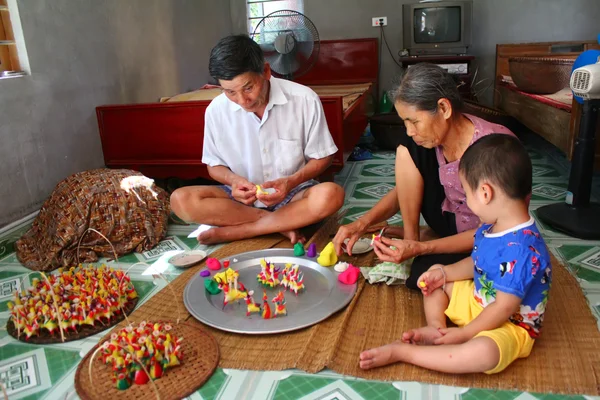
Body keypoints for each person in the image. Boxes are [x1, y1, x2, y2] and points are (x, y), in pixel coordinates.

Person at [359, 134, 551, 374]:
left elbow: (503, 308)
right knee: (431, 276)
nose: (466, 203)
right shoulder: (494, 225)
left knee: (483, 353)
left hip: (510, 324)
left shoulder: (523, 251)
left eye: (467, 195)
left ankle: (405, 352)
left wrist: (465, 333)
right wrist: (443, 273)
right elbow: (476, 262)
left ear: (485, 193)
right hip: (481, 300)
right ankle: (436, 328)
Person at [332, 63, 515, 290]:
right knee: (407, 148)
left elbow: (501, 230)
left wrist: (423, 250)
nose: (409, 130)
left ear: (444, 108)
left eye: (414, 121)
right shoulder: (429, 142)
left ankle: (421, 244)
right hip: (447, 219)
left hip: (483, 237)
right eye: (405, 122)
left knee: (424, 275)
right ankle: (413, 239)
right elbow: (406, 191)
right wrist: (362, 223)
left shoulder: (493, 148)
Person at [170, 35, 345, 245]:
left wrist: (290, 182)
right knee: (180, 200)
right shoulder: (216, 111)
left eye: (248, 88)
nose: (242, 100)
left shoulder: (304, 99)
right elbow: (214, 165)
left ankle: (242, 230)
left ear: (266, 72)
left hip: (293, 194)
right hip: (242, 200)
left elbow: (323, 157)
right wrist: (235, 182)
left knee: (331, 195)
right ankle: (278, 225)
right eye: (230, 92)